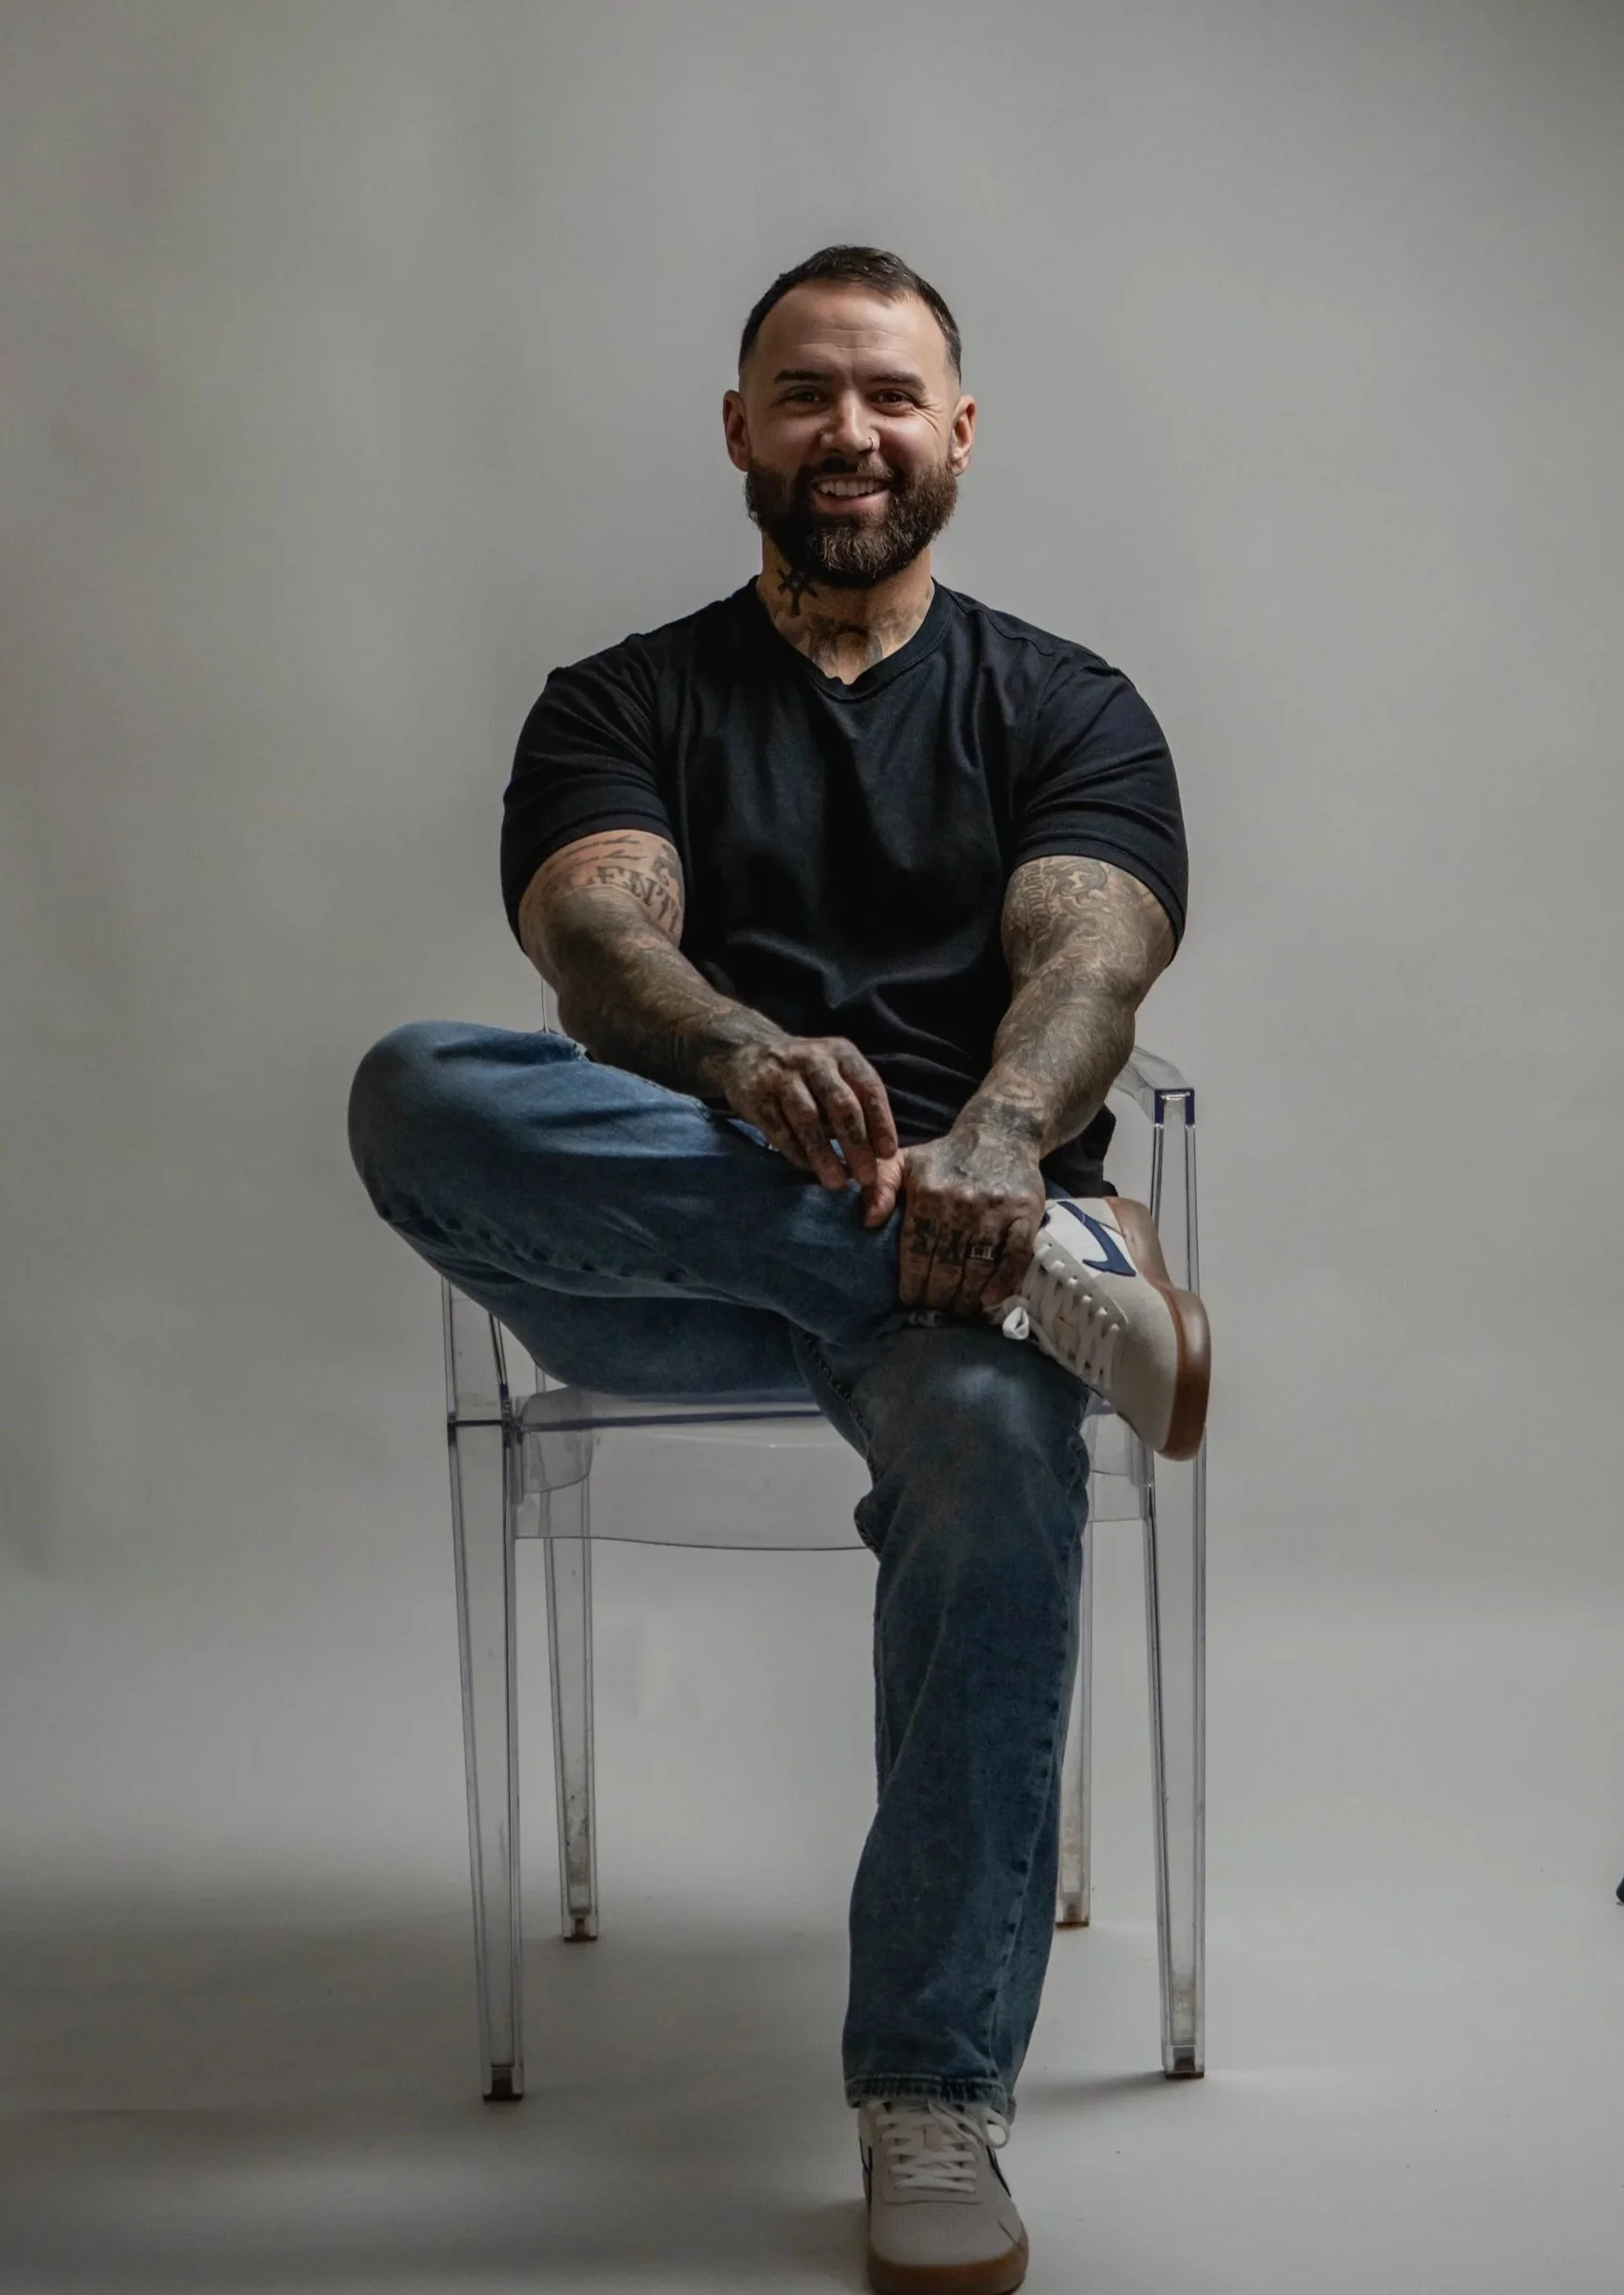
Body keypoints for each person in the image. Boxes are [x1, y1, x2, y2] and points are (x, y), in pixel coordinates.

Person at [348, 244, 1208, 2295]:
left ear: (960, 434)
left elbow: (1096, 955)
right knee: (416, 1088)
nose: (851, 433)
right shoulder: (625, 702)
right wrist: (741, 1057)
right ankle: (1004, 1273)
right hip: (666, 1244)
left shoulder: (1060, 703)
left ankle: (934, 2094)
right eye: (808, 394)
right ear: (739, 428)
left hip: (981, 1247)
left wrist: (993, 1142)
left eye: (892, 397)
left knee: (1002, 1449)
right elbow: (595, 943)